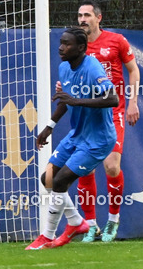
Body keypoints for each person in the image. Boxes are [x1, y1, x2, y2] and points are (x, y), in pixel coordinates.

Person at [28, 28, 118, 250]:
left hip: (98, 139)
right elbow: (65, 100)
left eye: (67, 44)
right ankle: (77, 222)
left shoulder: (93, 67)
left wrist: (76, 100)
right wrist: (49, 127)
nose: (61, 47)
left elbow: (113, 99)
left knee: (60, 182)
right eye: (61, 43)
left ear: (81, 48)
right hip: (77, 134)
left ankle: (47, 236)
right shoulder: (64, 68)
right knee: (48, 179)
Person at [74, 1, 140, 242]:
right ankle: (91, 225)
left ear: (98, 18)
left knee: (111, 166)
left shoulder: (116, 41)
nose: (82, 19)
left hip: (113, 112)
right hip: (87, 115)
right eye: (80, 15)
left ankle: (113, 221)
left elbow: (133, 70)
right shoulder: (75, 46)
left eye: (87, 15)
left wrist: (133, 102)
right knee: (84, 167)